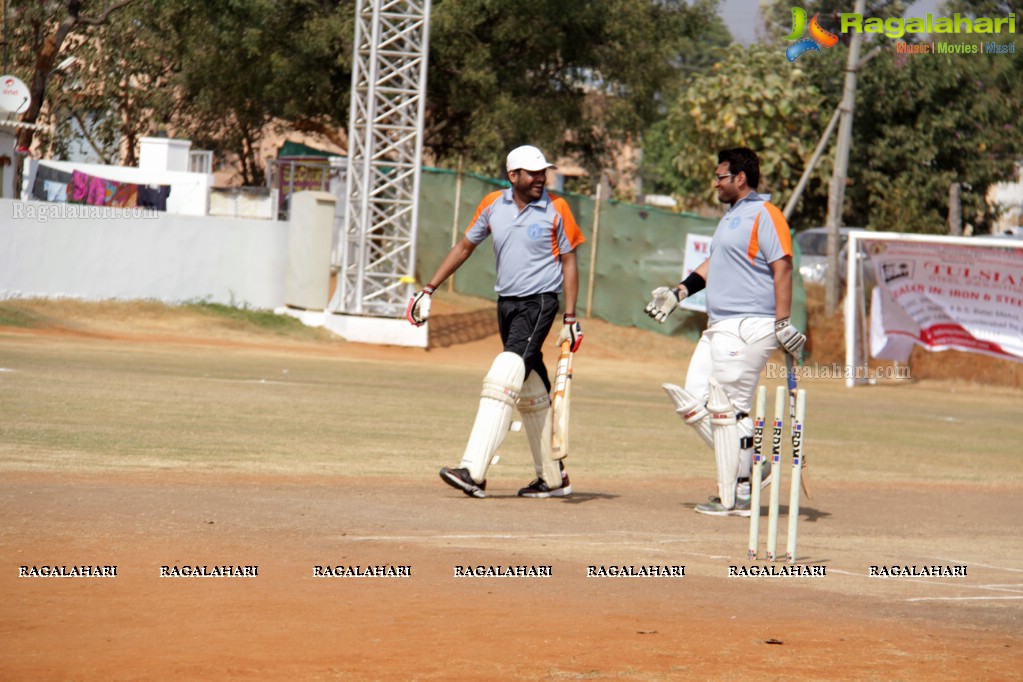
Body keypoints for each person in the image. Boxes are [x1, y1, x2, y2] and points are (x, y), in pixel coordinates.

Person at [406, 144, 585, 499]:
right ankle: (552, 477)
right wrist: (428, 289)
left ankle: (473, 470)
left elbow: (568, 262)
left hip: (540, 303)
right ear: (513, 176)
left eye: (542, 172)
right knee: (531, 384)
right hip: (506, 304)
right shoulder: (493, 204)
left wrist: (570, 317)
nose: (540, 178)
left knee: (506, 371)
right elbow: (463, 247)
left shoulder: (557, 208)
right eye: (532, 173)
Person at [644, 147, 805, 516]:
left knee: (731, 409)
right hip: (719, 324)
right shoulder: (731, 218)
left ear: (740, 178)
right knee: (693, 401)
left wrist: (782, 321)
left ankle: (743, 492)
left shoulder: (766, 214)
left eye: (720, 177)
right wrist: (679, 291)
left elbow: (783, 266)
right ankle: (750, 468)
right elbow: (715, 263)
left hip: (750, 324)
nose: (715, 183)